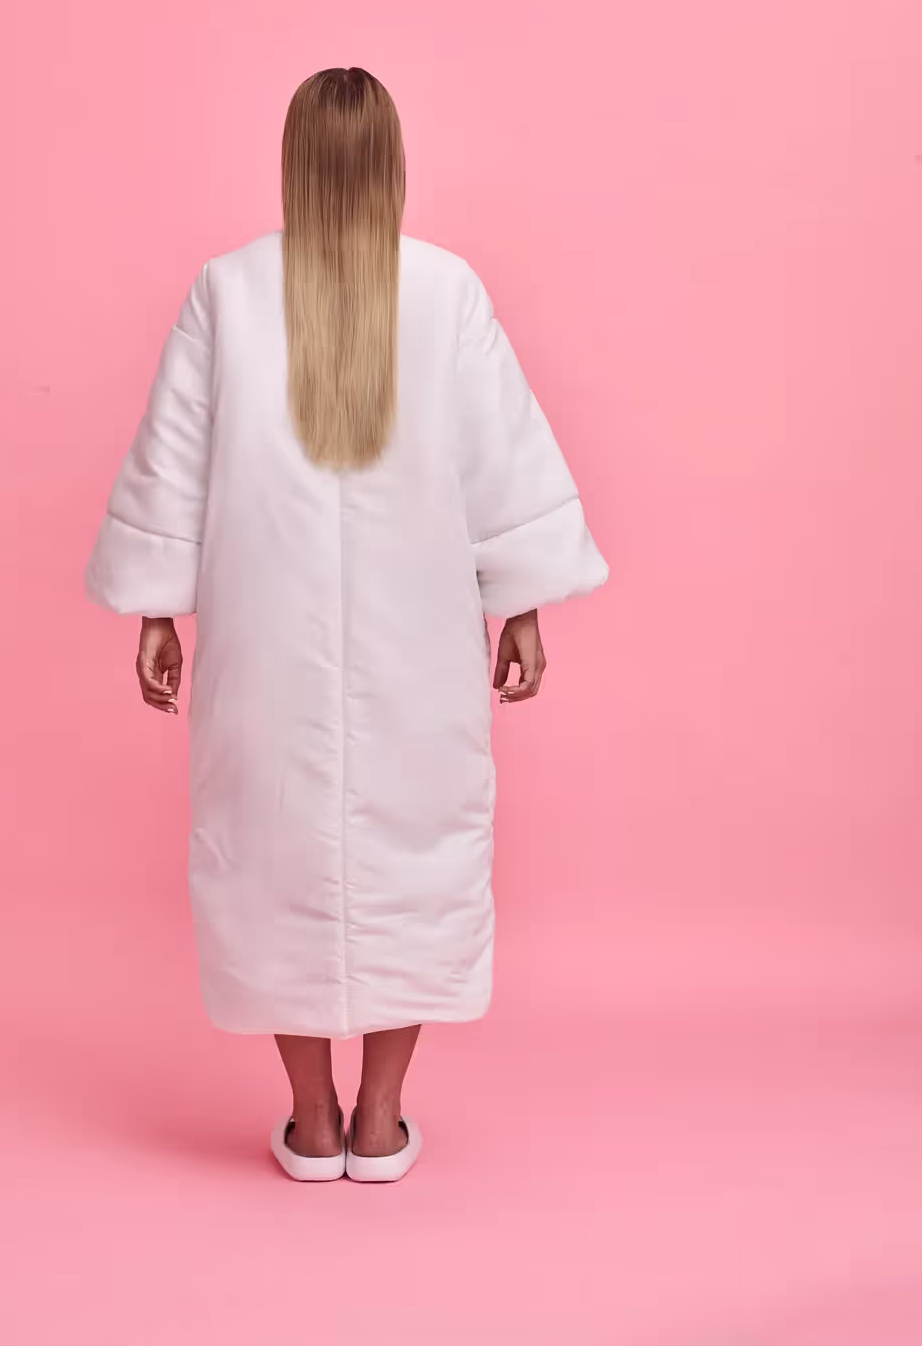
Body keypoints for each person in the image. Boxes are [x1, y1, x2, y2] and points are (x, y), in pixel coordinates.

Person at [85, 67, 608, 1182]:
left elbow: (171, 465)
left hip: (261, 639)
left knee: (271, 849)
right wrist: (516, 600)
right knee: (416, 847)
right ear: (392, 165)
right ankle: (382, 1120)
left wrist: (155, 608)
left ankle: (310, 1121)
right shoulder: (445, 291)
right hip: (418, 643)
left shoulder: (224, 292)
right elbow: (501, 464)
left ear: (291, 162)